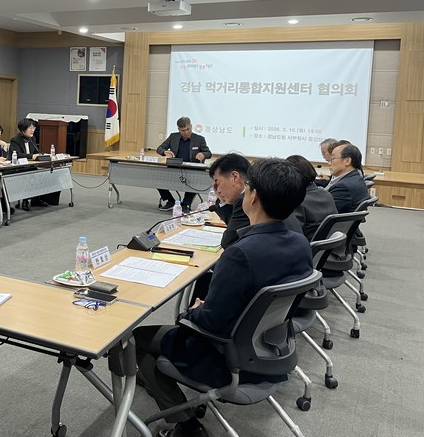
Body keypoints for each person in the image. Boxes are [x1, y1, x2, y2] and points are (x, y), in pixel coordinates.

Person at [134, 158, 313, 437]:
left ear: (253, 197)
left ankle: (187, 426)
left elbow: (211, 322)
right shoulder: (300, 243)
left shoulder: (241, 253)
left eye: (248, 187)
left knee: (133, 340)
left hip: (228, 359)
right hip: (273, 349)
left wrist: (193, 312)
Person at [156, 117, 212, 212]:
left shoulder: (199, 139)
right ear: (179, 129)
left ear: (191, 126)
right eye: (183, 130)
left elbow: (208, 153)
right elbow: (159, 148)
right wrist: (164, 152)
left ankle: (186, 204)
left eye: (188, 129)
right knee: (157, 179)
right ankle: (170, 201)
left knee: (194, 180)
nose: (186, 132)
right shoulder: (173, 137)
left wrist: (203, 154)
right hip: (175, 168)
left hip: (192, 170)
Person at [285, 154, 338, 240]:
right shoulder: (326, 194)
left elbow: (290, 233)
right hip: (328, 245)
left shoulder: (298, 201)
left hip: (306, 245)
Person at [207, 153, 251, 249]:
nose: (218, 190)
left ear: (235, 177)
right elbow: (233, 224)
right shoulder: (255, 190)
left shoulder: (246, 200)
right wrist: (223, 200)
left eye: (218, 183)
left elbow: (229, 243)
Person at [9, 118, 49, 210]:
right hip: (17, 168)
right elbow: (17, 155)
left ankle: (36, 199)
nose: (32, 130)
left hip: (29, 167)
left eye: (33, 128)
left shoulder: (32, 138)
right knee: (30, 175)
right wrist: (32, 156)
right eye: (30, 128)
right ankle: (25, 200)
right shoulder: (15, 140)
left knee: (41, 174)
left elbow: (35, 151)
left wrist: (43, 154)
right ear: (23, 129)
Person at [326, 142, 369, 213]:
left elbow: (323, 212)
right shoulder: (356, 177)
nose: (329, 163)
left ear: (347, 161)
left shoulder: (343, 187)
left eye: (333, 159)